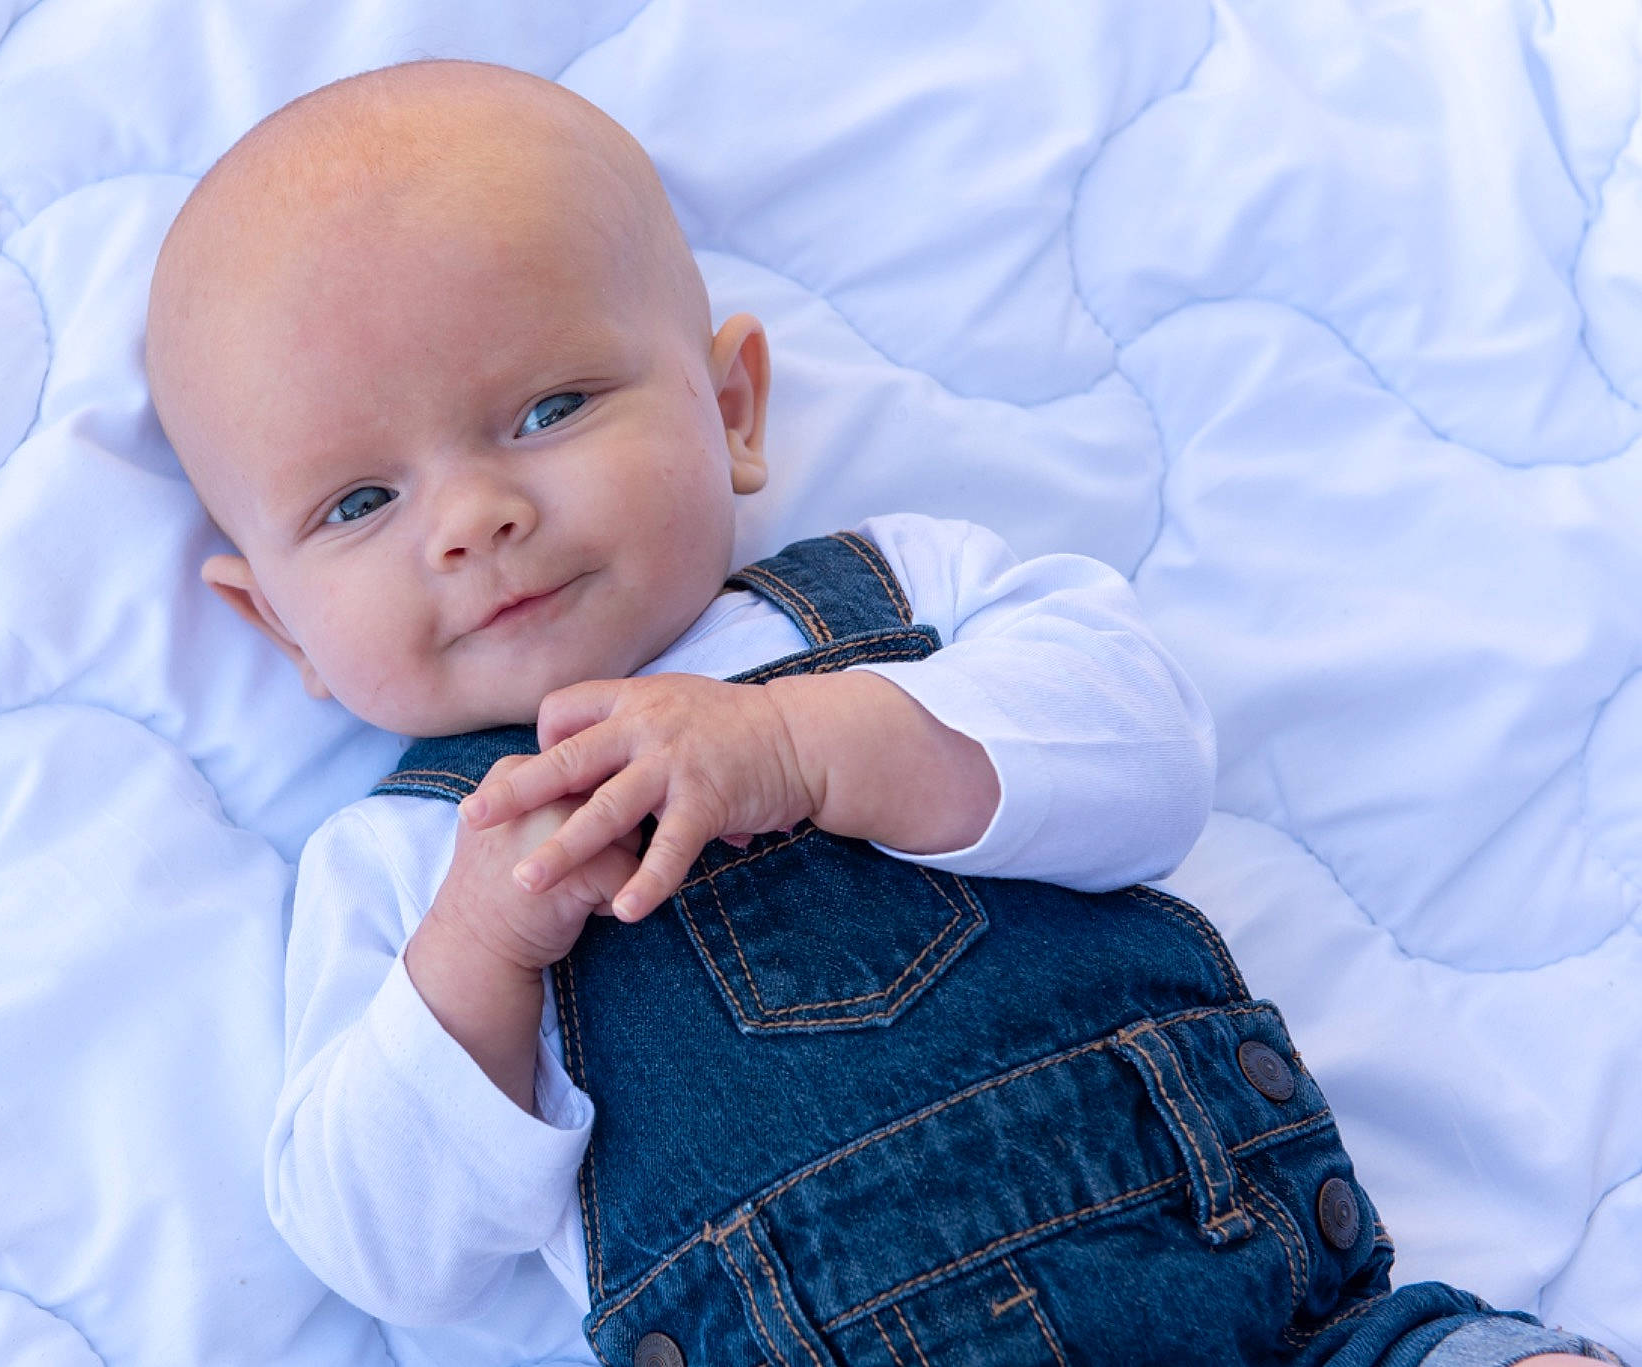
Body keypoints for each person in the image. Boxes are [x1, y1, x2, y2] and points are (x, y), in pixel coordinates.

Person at [143, 57, 1619, 1367]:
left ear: (731, 411)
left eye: (547, 411)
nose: (471, 517)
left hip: (1249, 1287)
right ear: (280, 626)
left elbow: (1150, 764)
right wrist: (479, 955)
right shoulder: (411, 867)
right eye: (359, 501)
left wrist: (807, 744)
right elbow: (384, 1249)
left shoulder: (894, 595)